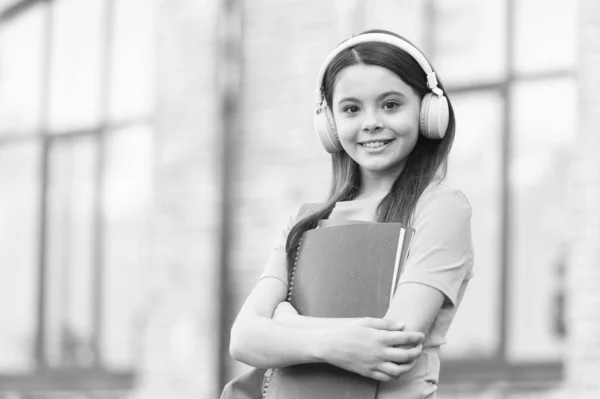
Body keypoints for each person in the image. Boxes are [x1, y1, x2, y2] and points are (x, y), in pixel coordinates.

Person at [225, 29, 474, 399]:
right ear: (329, 123)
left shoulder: (441, 208)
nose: (371, 122)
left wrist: (287, 325)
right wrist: (330, 343)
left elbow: (392, 343)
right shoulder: (303, 221)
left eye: (390, 105)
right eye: (351, 109)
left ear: (427, 111)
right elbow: (243, 339)